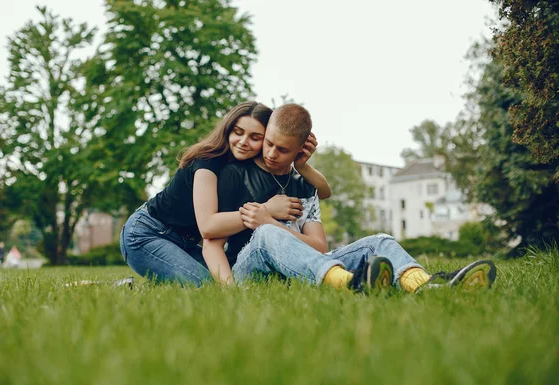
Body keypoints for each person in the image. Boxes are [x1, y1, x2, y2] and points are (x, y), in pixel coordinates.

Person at [204, 103, 496, 293]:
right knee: (266, 234)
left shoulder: (303, 185)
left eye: (282, 150)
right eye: (268, 143)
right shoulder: (234, 174)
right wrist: (266, 225)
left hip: (305, 264)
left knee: (379, 241)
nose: (270, 153)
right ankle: (350, 285)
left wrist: (270, 220)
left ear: (300, 151)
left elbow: (319, 246)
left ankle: (426, 287)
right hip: (250, 270)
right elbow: (214, 238)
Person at [119, 101, 331, 286]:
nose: (243, 141)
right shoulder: (208, 162)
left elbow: (322, 193)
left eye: (255, 137)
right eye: (238, 132)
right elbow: (208, 226)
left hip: (187, 242)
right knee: (206, 285)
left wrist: (301, 165)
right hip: (147, 233)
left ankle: (133, 286)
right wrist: (266, 210)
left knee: (219, 276)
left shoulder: (248, 165)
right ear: (228, 129)